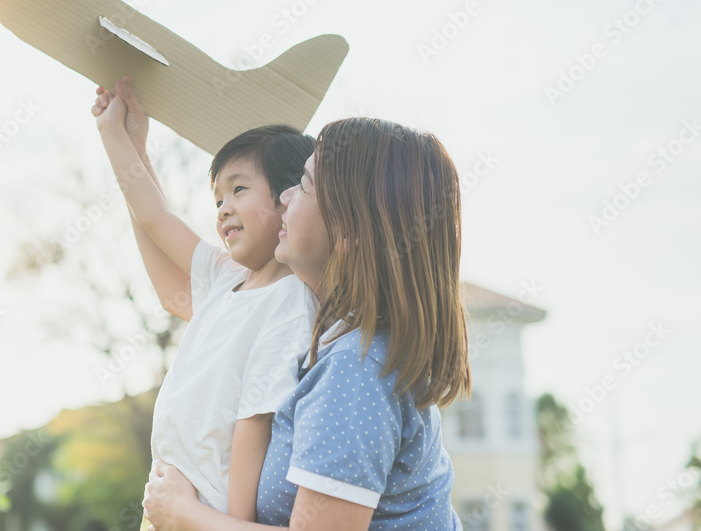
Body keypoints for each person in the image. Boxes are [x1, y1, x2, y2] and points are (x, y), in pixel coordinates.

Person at [142, 116, 473, 530]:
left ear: (348, 229)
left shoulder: (356, 370)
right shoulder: (336, 346)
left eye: (304, 185)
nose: (285, 196)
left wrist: (182, 514)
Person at [90, 76, 319, 526]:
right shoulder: (225, 278)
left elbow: (253, 423)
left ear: (289, 198)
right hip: (167, 496)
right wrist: (124, 140)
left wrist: (231, 522)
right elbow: (154, 216)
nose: (222, 208)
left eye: (238, 189)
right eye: (217, 198)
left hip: (205, 510)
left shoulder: (290, 302)